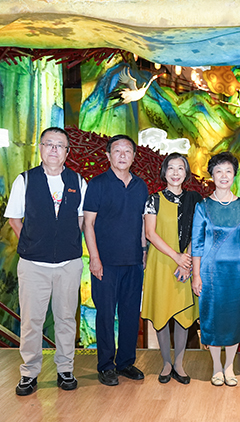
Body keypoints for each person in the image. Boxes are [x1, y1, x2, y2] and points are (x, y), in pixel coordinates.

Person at [5, 127, 86, 396]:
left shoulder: (78, 181)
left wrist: (66, 241)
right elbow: (14, 219)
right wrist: (32, 243)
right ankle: (29, 373)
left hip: (68, 264)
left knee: (66, 319)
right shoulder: (25, 180)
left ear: (67, 152)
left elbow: (82, 218)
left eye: (59, 145)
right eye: (48, 144)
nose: (53, 149)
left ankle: (65, 369)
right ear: (40, 148)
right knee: (31, 321)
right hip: (33, 265)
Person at [83, 134, 149, 387]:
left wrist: (143, 251)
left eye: (127, 151)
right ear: (108, 155)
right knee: (106, 315)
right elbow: (88, 224)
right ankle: (106, 365)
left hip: (133, 262)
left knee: (131, 314)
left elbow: (141, 222)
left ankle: (125, 362)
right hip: (106, 263)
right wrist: (94, 259)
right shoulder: (97, 184)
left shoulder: (140, 186)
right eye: (117, 151)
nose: (122, 155)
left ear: (134, 156)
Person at [191, 152, 240, 387]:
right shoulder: (203, 206)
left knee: (234, 319)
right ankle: (216, 367)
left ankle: (229, 366)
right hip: (210, 273)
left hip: (237, 272)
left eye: (228, 171)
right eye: (218, 171)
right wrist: (196, 275)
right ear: (212, 175)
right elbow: (197, 243)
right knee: (213, 318)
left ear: (234, 175)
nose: (224, 175)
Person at [141, 153, 200, 384]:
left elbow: (198, 232)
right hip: (161, 262)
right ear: (164, 172)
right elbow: (150, 233)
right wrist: (176, 256)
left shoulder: (194, 200)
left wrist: (187, 261)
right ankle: (166, 362)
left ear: (186, 173)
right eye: (171, 168)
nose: (176, 173)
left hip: (185, 263)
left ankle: (179, 363)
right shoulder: (153, 200)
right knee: (162, 311)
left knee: (182, 314)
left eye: (180, 168)